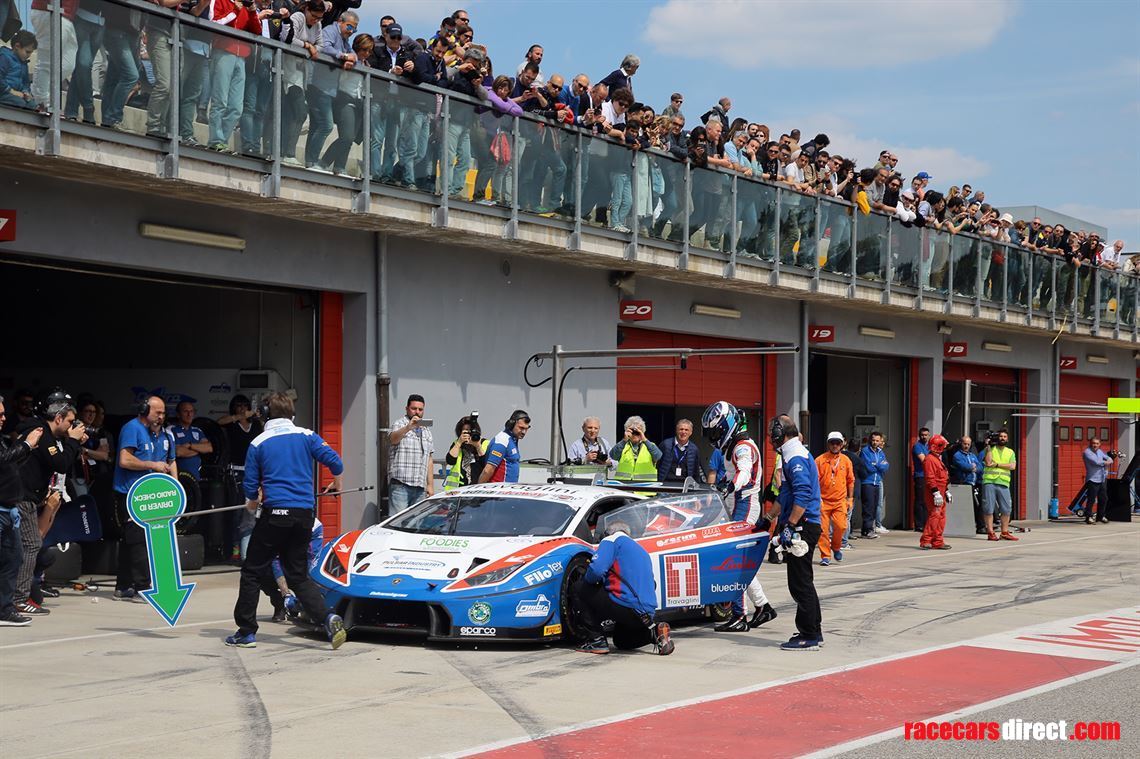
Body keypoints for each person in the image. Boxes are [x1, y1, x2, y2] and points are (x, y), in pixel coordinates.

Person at [226, 392, 346, 649]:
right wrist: (337, 483)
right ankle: (327, 618)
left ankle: (246, 632)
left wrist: (251, 503)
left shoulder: (258, 442)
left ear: (264, 415)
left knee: (252, 571)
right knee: (298, 576)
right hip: (304, 516)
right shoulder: (307, 435)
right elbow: (336, 462)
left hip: (275, 515)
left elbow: (250, 487)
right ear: (292, 414)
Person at [701, 401, 776, 633]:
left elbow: (743, 473)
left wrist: (730, 486)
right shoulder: (734, 445)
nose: (714, 438)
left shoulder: (743, 448)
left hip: (746, 503)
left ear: (727, 427)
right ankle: (763, 607)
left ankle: (739, 616)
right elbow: (733, 474)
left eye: (716, 433)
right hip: (737, 504)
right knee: (741, 562)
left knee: (735, 562)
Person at [573, 517, 672, 655]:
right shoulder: (641, 550)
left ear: (608, 533)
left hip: (625, 604)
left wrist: (588, 579)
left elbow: (596, 570)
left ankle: (596, 640)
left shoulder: (611, 540)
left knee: (579, 588)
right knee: (621, 641)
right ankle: (655, 633)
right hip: (647, 612)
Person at [111, 395, 176, 602]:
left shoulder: (160, 434)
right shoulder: (132, 428)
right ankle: (142, 587)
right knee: (139, 540)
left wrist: (175, 489)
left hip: (150, 493)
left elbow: (170, 460)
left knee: (130, 540)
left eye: (164, 413)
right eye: (158, 412)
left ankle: (123, 585)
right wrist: (152, 465)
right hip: (130, 493)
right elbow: (124, 460)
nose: (161, 416)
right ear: (144, 410)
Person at [769, 414, 823, 650]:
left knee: (800, 583)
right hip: (803, 523)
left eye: (772, 434)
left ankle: (809, 635)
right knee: (803, 580)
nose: (770, 439)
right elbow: (785, 494)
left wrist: (790, 525)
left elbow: (803, 493)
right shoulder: (790, 453)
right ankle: (813, 630)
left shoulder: (795, 455)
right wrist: (768, 518)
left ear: (780, 434)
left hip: (803, 524)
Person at [0, 395, 44, 626]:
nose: (3, 418)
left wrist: (28, 448)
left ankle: (4, 610)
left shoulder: (2, 439)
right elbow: (3, 460)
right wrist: (25, 444)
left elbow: (11, 464)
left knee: (14, 558)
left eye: (3, 414)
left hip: (9, 509)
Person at [388, 394, 435, 509]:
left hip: (420, 487)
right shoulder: (399, 424)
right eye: (414, 408)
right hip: (401, 485)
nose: (417, 412)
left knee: (416, 520)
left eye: (420, 409)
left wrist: (430, 485)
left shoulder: (426, 430)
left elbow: (429, 459)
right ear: (407, 409)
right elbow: (393, 439)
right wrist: (408, 427)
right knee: (399, 519)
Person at [816, 431, 853, 566]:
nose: (835, 445)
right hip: (823, 501)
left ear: (842, 445)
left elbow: (850, 480)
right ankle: (825, 555)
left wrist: (850, 498)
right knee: (823, 530)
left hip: (840, 500)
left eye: (838, 443)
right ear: (828, 444)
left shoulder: (846, 460)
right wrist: (816, 498)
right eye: (832, 443)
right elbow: (814, 481)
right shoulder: (820, 460)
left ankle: (836, 547)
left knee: (841, 526)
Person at [982, 429, 1018, 541]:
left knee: (1006, 509)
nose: (1002, 438)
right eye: (1001, 436)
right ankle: (990, 532)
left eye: (1004, 436)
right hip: (990, 482)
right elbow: (988, 462)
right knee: (988, 508)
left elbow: (1013, 466)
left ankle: (1004, 532)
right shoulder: (990, 449)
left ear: (1007, 439)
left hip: (1003, 483)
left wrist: (997, 464)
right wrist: (988, 446)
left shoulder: (1010, 452)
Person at [478, 410, 530, 483]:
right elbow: (487, 471)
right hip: (498, 489)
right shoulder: (502, 440)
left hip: (507, 488)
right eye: (521, 428)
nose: (524, 432)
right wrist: (479, 487)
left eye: (526, 428)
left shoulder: (512, 440)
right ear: (511, 424)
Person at [920, 435, 951, 550]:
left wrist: (946, 491)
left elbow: (942, 477)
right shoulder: (930, 459)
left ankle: (937, 541)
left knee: (941, 517)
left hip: (940, 490)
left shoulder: (936, 459)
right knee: (935, 515)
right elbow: (930, 477)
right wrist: (935, 492)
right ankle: (926, 540)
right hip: (935, 491)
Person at [949, 436, 985, 534]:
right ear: (961, 443)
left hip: (974, 483)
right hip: (964, 484)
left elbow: (980, 467)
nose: (966, 446)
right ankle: (971, 526)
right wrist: (971, 467)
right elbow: (963, 466)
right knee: (968, 506)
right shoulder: (957, 455)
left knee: (978, 505)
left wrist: (974, 468)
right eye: (965, 444)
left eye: (968, 444)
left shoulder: (972, 455)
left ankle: (980, 526)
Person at [609, 416, 661, 482]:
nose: (635, 434)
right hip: (624, 485)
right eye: (632, 431)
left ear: (643, 432)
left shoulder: (650, 446)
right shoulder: (623, 446)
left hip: (646, 486)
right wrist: (624, 440)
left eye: (638, 431)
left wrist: (644, 439)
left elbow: (658, 456)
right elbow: (613, 456)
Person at [170, 401, 213, 481]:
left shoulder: (197, 430)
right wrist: (200, 450)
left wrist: (190, 445)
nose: (189, 414)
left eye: (191, 411)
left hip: (196, 478)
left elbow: (209, 448)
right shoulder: (171, 429)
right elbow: (178, 452)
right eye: (186, 411)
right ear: (178, 414)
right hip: (178, 478)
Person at [858, 431, 889, 540]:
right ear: (870, 440)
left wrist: (877, 465)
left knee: (875, 507)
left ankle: (870, 529)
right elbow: (868, 467)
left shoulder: (880, 452)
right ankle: (866, 530)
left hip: (877, 482)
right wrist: (879, 465)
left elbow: (886, 466)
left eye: (877, 440)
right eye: (873, 440)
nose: (875, 442)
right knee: (868, 507)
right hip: (867, 482)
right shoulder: (865, 451)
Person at [444, 414, 488, 490]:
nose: (468, 434)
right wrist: (459, 443)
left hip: (478, 489)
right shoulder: (457, 443)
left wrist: (478, 446)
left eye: (470, 431)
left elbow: (487, 466)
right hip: (458, 489)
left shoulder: (484, 443)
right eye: (465, 431)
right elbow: (450, 461)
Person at [1081, 438, 1115, 525]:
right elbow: (1096, 462)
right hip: (1093, 479)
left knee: (1104, 498)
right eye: (1093, 443)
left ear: (1099, 444)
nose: (1095, 445)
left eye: (1097, 443)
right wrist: (1107, 462)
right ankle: (1088, 517)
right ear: (1090, 443)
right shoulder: (1087, 452)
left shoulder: (1100, 451)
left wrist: (1108, 460)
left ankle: (1100, 516)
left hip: (1102, 478)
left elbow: (1109, 458)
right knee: (1091, 499)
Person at [911, 427, 931, 532]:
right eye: (922, 435)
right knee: (920, 500)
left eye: (926, 435)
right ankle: (919, 524)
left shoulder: (929, 446)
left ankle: (926, 523)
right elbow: (924, 460)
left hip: (929, 476)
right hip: (920, 476)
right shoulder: (917, 446)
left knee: (927, 501)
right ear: (919, 435)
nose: (924, 437)